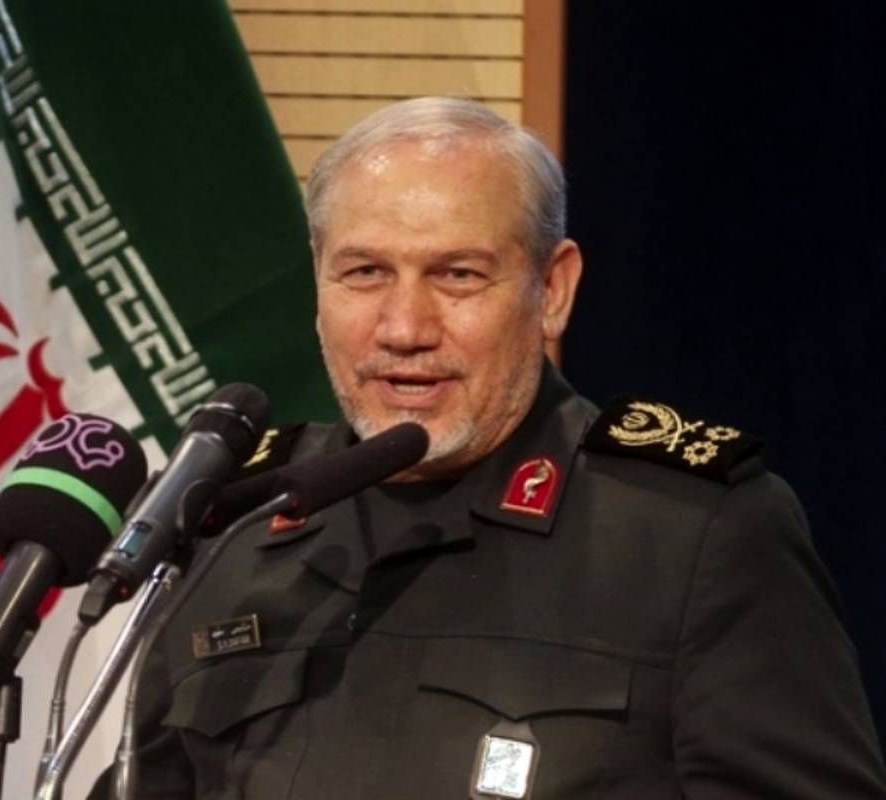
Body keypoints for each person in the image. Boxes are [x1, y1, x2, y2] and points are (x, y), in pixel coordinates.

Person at [90, 97, 886, 798]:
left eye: (458, 275)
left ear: (553, 290)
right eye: (364, 272)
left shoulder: (695, 537)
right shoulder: (233, 526)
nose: (404, 328)